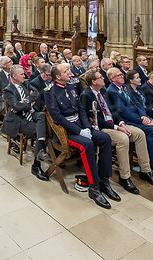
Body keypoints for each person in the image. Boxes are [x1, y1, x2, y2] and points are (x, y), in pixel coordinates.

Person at [45, 63, 119, 208]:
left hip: (81, 127)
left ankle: (104, 180)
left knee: (105, 138)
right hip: (66, 133)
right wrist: (79, 132)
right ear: (58, 77)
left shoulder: (71, 87)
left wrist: (86, 127)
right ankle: (94, 187)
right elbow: (58, 118)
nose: (69, 71)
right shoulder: (50, 92)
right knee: (88, 145)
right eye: (65, 71)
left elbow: (81, 110)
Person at [79, 69, 152, 195]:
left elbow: (113, 111)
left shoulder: (103, 91)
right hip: (103, 127)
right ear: (93, 82)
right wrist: (117, 128)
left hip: (115, 123)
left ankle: (145, 170)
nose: (103, 78)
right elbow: (97, 120)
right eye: (100, 77)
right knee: (123, 139)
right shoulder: (86, 95)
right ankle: (125, 177)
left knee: (139, 134)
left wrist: (122, 123)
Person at [105, 70, 153, 187]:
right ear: (113, 79)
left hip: (139, 117)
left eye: (121, 74)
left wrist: (144, 116)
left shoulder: (124, 87)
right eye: (119, 75)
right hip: (128, 121)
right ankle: (149, 167)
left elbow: (137, 103)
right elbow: (123, 111)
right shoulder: (112, 91)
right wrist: (142, 120)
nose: (122, 76)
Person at [1, 65, 49, 181]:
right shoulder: (8, 90)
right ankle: (36, 166)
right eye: (22, 74)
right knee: (41, 131)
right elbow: (16, 106)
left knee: (42, 116)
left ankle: (41, 146)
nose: (25, 76)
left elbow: (36, 93)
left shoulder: (26, 83)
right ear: (14, 76)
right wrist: (28, 103)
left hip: (31, 114)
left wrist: (25, 101)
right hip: (19, 120)